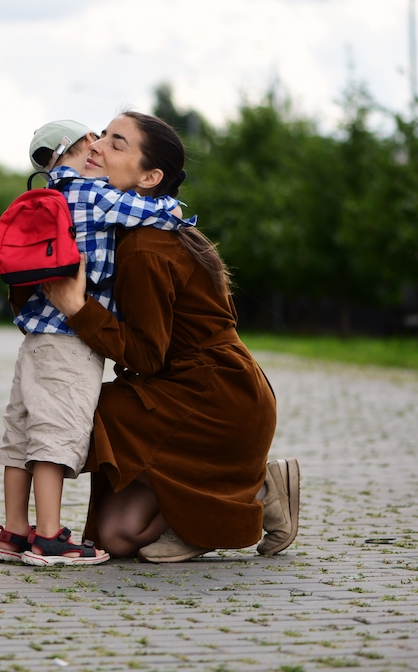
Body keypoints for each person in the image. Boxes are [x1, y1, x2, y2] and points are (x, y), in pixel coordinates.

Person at [39, 111, 299, 562]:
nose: (96, 145)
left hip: (213, 404)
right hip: (218, 395)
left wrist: (79, 310)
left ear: (149, 176)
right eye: (102, 135)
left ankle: (242, 489)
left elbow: (146, 354)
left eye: (117, 143)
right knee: (118, 537)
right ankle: (244, 493)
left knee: (73, 407)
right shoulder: (132, 228)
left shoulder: (145, 246)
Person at [0, 119, 192, 567]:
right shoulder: (92, 193)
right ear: (85, 146)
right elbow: (148, 213)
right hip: (70, 340)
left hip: (35, 336)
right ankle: (49, 537)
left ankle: (14, 532)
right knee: (55, 436)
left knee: (19, 436)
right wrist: (177, 215)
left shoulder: (47, 196)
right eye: (98, 139)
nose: (101, 147)